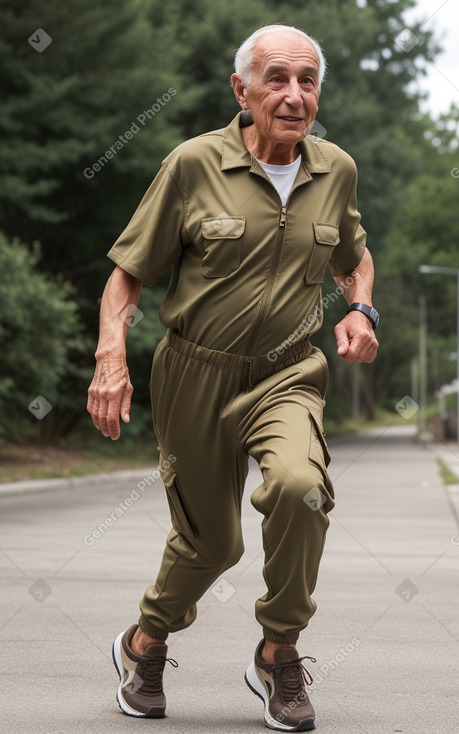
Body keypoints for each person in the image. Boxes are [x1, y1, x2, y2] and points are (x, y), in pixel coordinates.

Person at [87, 23, 379, 732]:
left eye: (306, 81)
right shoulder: (192, 164)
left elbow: (351, 257)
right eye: (276, 79)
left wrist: (360, 309)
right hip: (195, 373)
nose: (292, 95)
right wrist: (110, 357)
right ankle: (145, 642)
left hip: (287, 372)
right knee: (210, 545)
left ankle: (279, 651)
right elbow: (126, 276)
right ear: (240, 89)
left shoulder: (333, 168)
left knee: (301, 488)